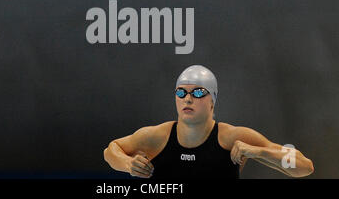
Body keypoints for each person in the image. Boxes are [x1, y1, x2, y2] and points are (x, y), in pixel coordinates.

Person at [103, 65, 314, 179]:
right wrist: (128, 164)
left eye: (197, 92)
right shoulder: (157, 137)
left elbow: (305, 167)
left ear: (212, 101)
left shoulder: (231, 137)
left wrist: (259, 152)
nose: (187, 98)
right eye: (181, 92)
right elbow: (111, 150)